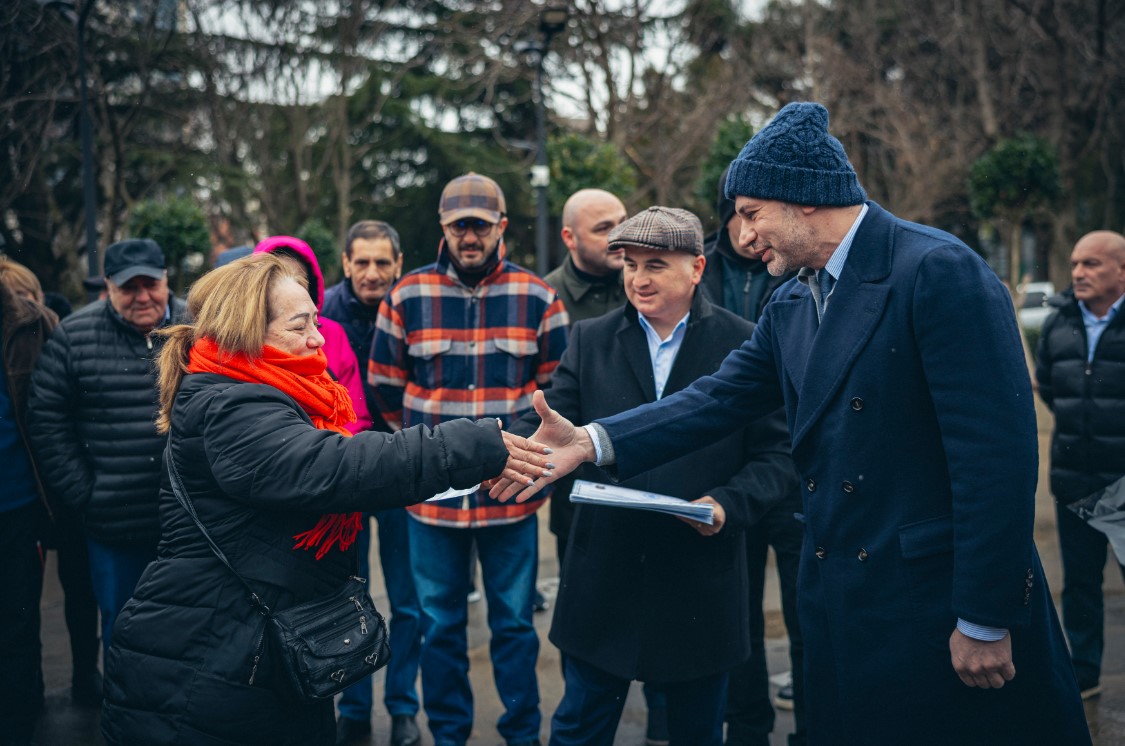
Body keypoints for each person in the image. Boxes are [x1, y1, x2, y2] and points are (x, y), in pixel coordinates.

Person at [493, 102, 1090, 744]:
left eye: (752, 215)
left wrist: (983, 614)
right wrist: (590, 440)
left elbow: (995, 461)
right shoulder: (793, 301)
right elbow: (715, 399)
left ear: (804, 198)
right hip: (844, 598)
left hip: (932, 602)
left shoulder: (938, 272)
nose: (743, 238)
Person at [97, 253, 549, 745]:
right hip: (206, 664)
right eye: (300, 326)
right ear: (247, 332)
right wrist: (470, 446)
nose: (318, 338)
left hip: (251, 648)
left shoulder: (261, 389)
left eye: (316, 319)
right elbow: (333, 466)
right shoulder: (229, 404)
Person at [513, 207, 797, 746]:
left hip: (699, 577)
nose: (638, 279)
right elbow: (554, 423)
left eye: (656, 265)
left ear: (696, 267)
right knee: (578, 726)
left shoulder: (745, 342)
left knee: (696, 731)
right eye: (630, 264)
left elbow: (777, 454)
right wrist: (506, 449)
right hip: (605, 574)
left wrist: (728, 503)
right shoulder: (591, 339)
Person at [370, 172, 568, 746]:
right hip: (432, 504)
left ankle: (521, 734)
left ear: (502, 226)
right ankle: (450, 736)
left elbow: (557, 394)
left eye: (481, 225)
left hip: (512, 498)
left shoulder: (538, 298)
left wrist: (520, 461)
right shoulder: (406, 297)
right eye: (460, 226)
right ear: (444, 229)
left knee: (513, 625)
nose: (470, 236)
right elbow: (386, 391)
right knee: (439, 626)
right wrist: (427, 460)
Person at [29, 238, 187, 666]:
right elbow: (45, 418)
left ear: (166, 280)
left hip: (191, 518)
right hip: (114, 521)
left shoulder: (197, 327)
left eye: (150, 284)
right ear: (109, 288)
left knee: (189, 626)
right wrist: (85, 493)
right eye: (128, 287)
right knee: (124, 624)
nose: (141, 297)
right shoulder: (74, 336)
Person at [701, 170, 806, 744]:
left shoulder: (798, 272)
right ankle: (746, 730)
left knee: (806, 610)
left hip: (792, 465)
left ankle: (812, 725)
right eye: (736, 215)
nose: (746, 231)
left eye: (755, 214)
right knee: (737, 619)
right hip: (729, 469)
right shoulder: (704, 273)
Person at [321, 220, 420, 746]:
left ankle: (403, 706)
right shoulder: (323, 315)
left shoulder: (413, 306)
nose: (372, 273)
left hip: (402, 474)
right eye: (362, 262)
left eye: (383, 262)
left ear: (398, 264)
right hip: (346, 477)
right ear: (345, 263)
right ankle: (355, 707)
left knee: (408, 598)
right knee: (349, 596)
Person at [0, 259, 101, 709]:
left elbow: (57, 410)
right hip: (37, 490)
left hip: (27, 496)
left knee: (25, 615)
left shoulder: (35, 325)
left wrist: (77, 485)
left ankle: (31, 709)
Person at [1035, 230, 1125, 700]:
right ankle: (1084, 675)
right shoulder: (1060, 322)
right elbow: (1049, 387)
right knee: (1080, 586)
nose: (1078, 273)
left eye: (1091, 264)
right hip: (1073, 481)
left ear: (1121, 271)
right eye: (1074, 264)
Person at [0, 276, 57, 746]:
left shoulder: (32, 323)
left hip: (15, 503)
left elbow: (55, 409)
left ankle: (21, 720)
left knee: (18, 622)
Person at [253, 235, 373, 435]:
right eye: (277, 277)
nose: (317, 341)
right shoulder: (240, 347)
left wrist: (338, 451)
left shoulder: (333, 335)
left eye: (299, 279)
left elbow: (355, 414)